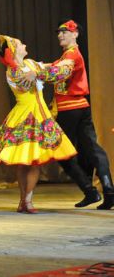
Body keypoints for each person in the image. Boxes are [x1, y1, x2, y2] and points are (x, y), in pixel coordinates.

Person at [0, 35, 78, 213]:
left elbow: (47, 67)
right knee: (25, 161)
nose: (25, 44)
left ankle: (27, 199)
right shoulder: (13, 71)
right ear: (14, 51)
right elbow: (30, 83)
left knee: (34, 161)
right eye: (20, 44)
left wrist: (62, 63)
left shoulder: (32, 64)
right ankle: (23, 199)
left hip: (40, 113)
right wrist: (44, 72)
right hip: (26, 115)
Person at [50, 20, 113, 210]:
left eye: (65, 32)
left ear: (76, 34)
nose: (61, 35)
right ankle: (108, 191)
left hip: (70, 109)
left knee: (63, 153)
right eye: (59, 32)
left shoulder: (71, 55)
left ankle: (90, 190)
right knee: (91, 149)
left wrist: (35, 71)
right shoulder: (65, 56)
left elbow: (59, 71)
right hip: (80, 107)